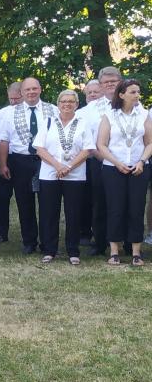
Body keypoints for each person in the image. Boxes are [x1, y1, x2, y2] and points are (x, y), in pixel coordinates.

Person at [0, 77, 55, 253]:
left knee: (48, 203)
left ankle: (47, 242)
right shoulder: (10, 113)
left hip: (46, 160)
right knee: (24, 202)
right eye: (27, 89)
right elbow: (4, 141)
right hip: (20, 161)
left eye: (34, 89)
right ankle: (29, 241)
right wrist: (4, 164)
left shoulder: (53, 110)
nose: (31, 92)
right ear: (21, 92)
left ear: (40, 89)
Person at [34, 90, 93, 265]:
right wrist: (58, 166)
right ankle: (49, 250)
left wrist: (68, 167)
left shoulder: (83, 123)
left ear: (76, 104)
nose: (67, 104)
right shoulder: (48, 122)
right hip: (50, 174)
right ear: (58, 104)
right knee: (49, 213)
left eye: (71, 101)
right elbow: (40, 148)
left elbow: (87, 149)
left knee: (73, 214)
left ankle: (73, 251)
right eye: (63, 101)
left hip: (75, 175)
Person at [97, 79, 152, 266]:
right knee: (115, 208)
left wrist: (142, 161)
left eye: (138, 92)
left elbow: (149, 142)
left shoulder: (143, 114)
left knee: (136, 208)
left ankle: (136, 252)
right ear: (121, 95)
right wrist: (117, 163)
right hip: (113, 168)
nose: (137, 95)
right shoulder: (109, 115)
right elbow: (101, 144)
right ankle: (114, 251)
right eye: (133, 92)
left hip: (139, 168)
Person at [77, 67, 122, 257]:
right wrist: (102, 156)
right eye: (106, 82)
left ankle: (128, 242)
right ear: (101, 85)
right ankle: (100, 242)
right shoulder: (89, 110)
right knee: (100, 203)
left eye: (114, 81)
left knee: (124, 203)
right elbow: (86, 139)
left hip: (127, 163)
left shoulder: (133, 104)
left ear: (121, 82)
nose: (110, 84)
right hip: (99, 161)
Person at [0, 81, 23, 242]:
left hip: (23, 158)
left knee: (24, 197)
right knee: (3, 197)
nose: (13, 102)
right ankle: (1, 232)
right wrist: (2, 162)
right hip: (6, 157)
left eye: (16, 99)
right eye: (10, 98)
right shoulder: (3, 113)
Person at [76, 79, 104, 244]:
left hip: (103, 160)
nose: (93, 95)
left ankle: (101, 233)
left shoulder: (108, 110)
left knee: (99, 198)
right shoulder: (80, 113)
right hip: (83, 160)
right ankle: (84, 232)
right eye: (90, 92)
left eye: (96, 92)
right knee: (83, 198)